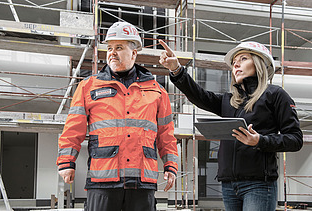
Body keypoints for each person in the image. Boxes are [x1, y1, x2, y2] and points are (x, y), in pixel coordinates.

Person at [159, 40, 303, 211]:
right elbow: (200, 96)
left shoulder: (276, 95)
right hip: (229, 185)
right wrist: (177, 70)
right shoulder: (230, 100)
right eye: (234, 62)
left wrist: (260, 141)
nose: (236, 64)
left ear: (259, 64)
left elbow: (295, 139)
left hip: (258, 185)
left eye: (243, 59)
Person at [56, 22, 178, 211]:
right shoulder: (88, 87)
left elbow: (166, 135)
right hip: (103, 180)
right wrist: (66, 162)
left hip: (142, 182)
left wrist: (170, 166)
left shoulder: (157, 91)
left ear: (134, 53)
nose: (112, 52)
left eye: (119, 48)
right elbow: (73, 129)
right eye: (110, 48)